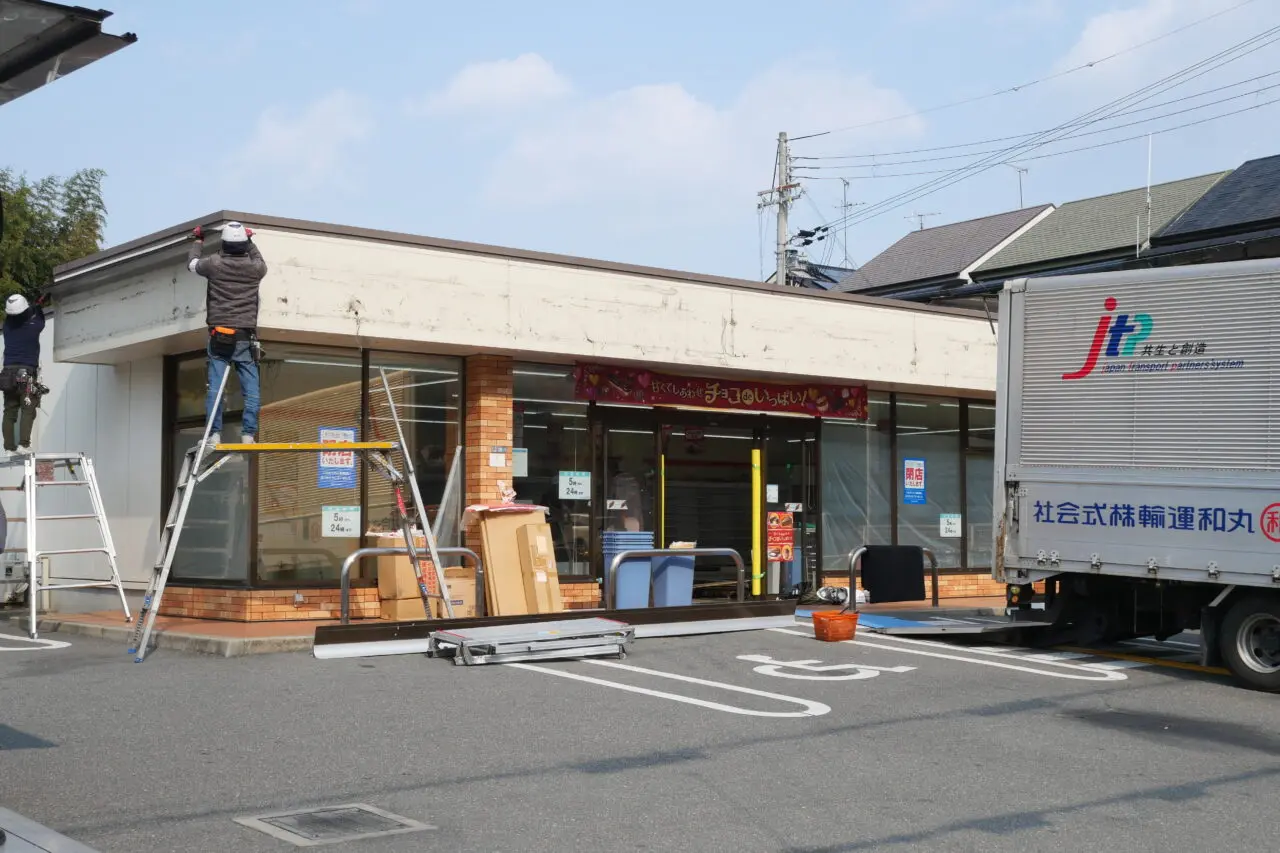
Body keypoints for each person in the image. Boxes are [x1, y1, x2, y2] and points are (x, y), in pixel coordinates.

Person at [187, 221, 266, 447]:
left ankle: (214, 434)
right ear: (243, 244)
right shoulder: (256, 268)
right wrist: (250, 240)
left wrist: (198, 240)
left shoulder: (214, 263)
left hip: (219, 336)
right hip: (245, 338)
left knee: (215, 389)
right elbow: (259, 258)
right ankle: (248, 435)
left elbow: (192, 264)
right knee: (251, 390)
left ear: (223, 243)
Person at [0, 292, 47, 456]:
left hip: (7, 374)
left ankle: (8, 448)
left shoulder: (7, 327)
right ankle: (23, 445)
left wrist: (32, 307)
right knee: (28, 409)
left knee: (9, 411)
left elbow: (18, 316)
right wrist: (38, 306)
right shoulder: (33, 326)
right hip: (26, 373)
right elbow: (40, 320)